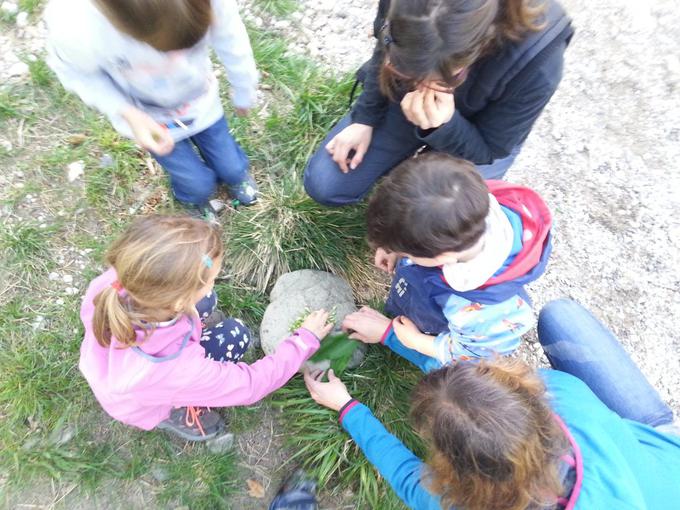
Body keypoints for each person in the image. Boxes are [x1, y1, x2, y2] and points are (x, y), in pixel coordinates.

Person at [305, 299, 680, 509]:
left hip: (640, 465)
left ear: (460, 477)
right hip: (659, 458)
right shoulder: (561, 394)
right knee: (561, 316)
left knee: (562, 318)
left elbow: (409, 478)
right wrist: (392, 335)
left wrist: (347, 407)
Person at [79, 215, 333, 441]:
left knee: (207, 301)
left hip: (116, 369)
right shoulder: (177, 370)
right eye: (210, 280)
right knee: (236, 335)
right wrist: (303, 341)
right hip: (147, 395)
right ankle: (176, 411)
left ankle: (184, 357)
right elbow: (251, 384)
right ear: (178, 303)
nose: (212, 285)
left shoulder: (116, 283)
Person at [304, 0, 574, 206]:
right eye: (405, 69)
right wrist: (365, 118)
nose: (418, 82)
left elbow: (491, 147)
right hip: (403, 101)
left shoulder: (538, 61)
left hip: (480, 135)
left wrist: (444, 126)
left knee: (433, 223)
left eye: (436, 79)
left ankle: (418, 168)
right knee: (325, 184)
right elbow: (383, 47)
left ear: (475, 53)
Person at [45, 0, 260, 219]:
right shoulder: (75, 25)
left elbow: (231, 36)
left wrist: (244, 85)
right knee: (197, 184)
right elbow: (77, 73)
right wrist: (126, 111)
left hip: (201, 103)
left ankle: (235, 177)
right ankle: (193, 198)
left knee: (231, 167)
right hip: (151, 121)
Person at [344, 153, 551, 369]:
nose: (403, 256)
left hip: (445, 336)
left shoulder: (484, 313)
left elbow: (469, 356)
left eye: (408, 255)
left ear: (442, 258)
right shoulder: (463, 211)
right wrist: (396, 246)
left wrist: (412, 340)